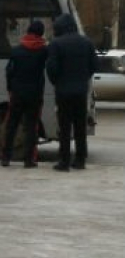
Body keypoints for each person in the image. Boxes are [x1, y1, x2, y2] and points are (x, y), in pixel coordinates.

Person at [45, 13, 99, 171]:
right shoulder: (86, 42)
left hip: (63, 91)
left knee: (64, 127)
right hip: (81, 91)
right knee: (80, 127)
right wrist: (83, 78)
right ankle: (80, 159)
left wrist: (57, 81)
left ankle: (64, 161)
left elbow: (52, 68)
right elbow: (94, 65)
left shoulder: (56, 44)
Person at [0, 20, 48, 168]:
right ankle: (29, 160)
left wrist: (10, 89)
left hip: (17, 93)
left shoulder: (16, 51)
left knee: (12, 125)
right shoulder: (44, 51)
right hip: (34, 94)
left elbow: (9, 71)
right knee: (31, 126)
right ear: (41, 33)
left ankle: (6, 157)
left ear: (28, 32)